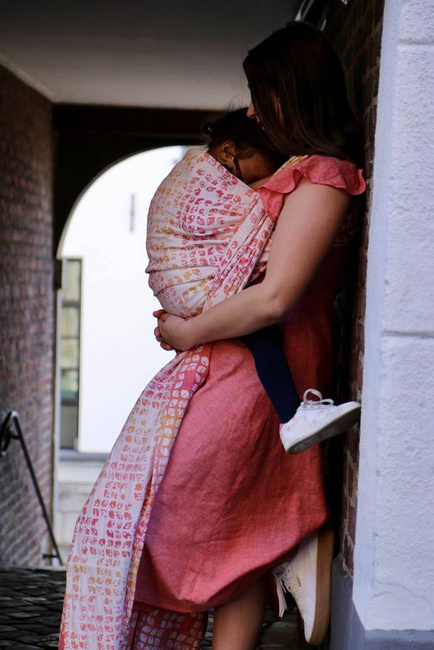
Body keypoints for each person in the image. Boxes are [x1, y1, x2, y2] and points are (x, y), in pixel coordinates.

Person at [59, 22, 366, 650]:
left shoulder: (325, 176)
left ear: (292, 92)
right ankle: (293, 542)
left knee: (177, 515)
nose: (253, 111)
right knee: (232, 534)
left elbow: (277, 296)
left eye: (262, 95)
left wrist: (184, 330)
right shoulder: (296, 172)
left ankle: (304, 538)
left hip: (261, 371)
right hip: (242, 361)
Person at [147, 107, 362, 457]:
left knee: (260, 324)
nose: (264, 183)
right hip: (190, 287)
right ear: (229, 152)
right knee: (261, 328)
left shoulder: (230, 168)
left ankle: (295, 416)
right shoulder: (200, 174)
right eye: (263, 170)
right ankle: (292, 414)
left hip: (184, 302)